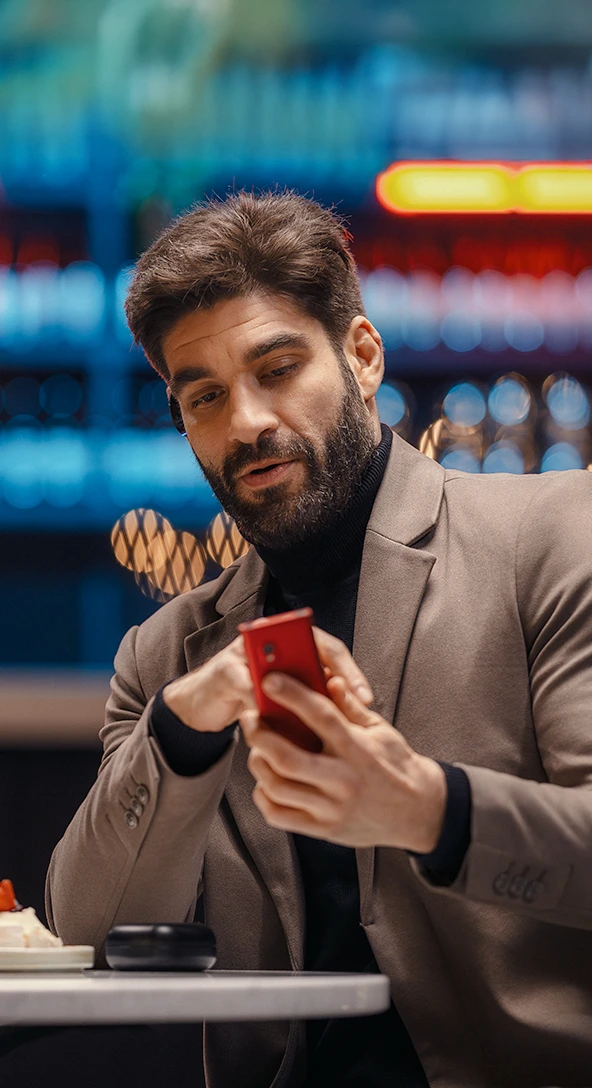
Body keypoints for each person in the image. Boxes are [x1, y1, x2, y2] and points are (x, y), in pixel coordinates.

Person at [47, 191, 592, 1088]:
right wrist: (179, 734)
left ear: (363, 357)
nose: (246, 423)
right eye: (206, 397)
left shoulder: (552, 536)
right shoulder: (165, 658)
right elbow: (88, 938)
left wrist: (430, 810)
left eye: (278, 369)